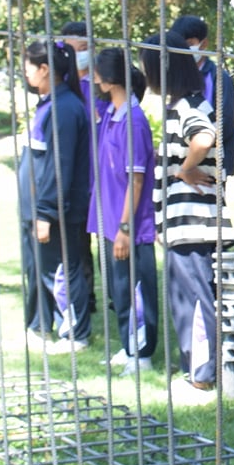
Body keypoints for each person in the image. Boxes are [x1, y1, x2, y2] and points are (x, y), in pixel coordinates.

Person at [144, 29, 228, 407]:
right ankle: (195, 371)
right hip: (183, 221)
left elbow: (204, 137)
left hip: (194, 220)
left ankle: (202, 378)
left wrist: (184, 169)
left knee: (194, 299)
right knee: (185, 298)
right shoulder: (180, 103)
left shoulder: (188, 105)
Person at [25, 37, 94, 350]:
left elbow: (59, 165)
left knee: (63, 271)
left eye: (28, 66)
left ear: (44, 69)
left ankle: (76, 333)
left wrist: (46, 212)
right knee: (50, 270)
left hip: (60, 211)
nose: (25, 72)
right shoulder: (51, 104)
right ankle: (48, 326)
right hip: (47, 207)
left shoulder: (64, 109)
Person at [91, 47, 157, 373]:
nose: (93, 79)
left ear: (111, 79)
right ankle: (128, 346)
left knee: (135, 289)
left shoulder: (133, 121)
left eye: (97, 73)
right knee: (118, 288)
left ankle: (142, 354)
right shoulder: (111, 114)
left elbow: (137, 180)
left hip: (129, 225)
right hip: (109, 222)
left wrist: (125, 229)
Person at [172, 15, 234, 178]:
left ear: (204, 44)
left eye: (190, 44)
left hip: (210, 161)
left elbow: (225, 121)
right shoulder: (178, 76)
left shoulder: (218, 78)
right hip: (182, 159)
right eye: (181, 45)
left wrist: (198, 151)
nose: (185, 49)